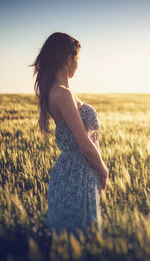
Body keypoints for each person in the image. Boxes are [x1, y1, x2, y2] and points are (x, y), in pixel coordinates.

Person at [30, 32, 109, 238]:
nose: (78, 64)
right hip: (78, 175)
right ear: (68, 59)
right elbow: (84, 145)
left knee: (69, 242)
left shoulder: (57, 91)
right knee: (80, 239)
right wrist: (103, 170)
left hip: (70, 173)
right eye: (78, 59)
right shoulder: (62, 93)